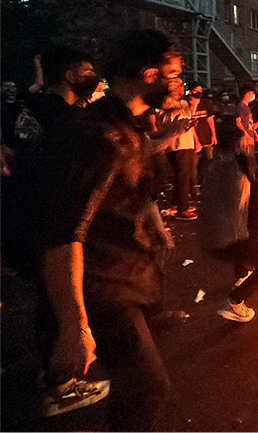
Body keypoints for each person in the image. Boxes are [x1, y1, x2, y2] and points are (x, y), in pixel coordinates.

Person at [37, 29, 180, 431]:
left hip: (122, 273)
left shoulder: (123, 125)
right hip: (101, 285)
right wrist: (73, 325)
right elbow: (64, 232)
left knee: (137, 387)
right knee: (149, 388)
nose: (178, 86)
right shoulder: (98, 135)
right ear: (150, 75)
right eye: (173, 75)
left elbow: (132, 182)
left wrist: (155, 225)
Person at [0, 45, 107, 417]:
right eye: (87, 70)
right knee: (57, 302)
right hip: (45, 223)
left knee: (49, 300)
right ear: (70, 74)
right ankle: (59, 385)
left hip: (20, 219)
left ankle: (50, 371)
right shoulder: (63, 120)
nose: (93, 77)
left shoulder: (30, 109)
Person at [199, 119, 258, 322]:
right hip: (227, 236)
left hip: (214, 233)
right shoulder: (237, 167)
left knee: (249, 246)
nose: (250, 139)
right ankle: (235, 302)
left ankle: (241, 274)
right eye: (245, 135)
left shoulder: (219, 161)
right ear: (237, 140)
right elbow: (246, 205)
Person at [157, 77, 200, 221]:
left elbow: (189, 118)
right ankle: (182, 208)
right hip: (178, 144)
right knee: (183, 176)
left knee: (181, 175)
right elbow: (169, 123)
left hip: (184, 143)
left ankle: (177, 203)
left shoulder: (182, 103)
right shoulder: (168, 105)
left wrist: (194, 106)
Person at [189, 81, 217, 185]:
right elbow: (189, 119)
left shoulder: (206, 103)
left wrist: (214, 134)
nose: (199, 92)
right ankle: (195, 183)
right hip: (192, 138)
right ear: (191, 91)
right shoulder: (187, 104)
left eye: (200, 90)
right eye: (196, 90)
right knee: (194, 163)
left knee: (209, 159)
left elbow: (210, 119)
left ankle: (207, 180)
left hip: (206, 136)